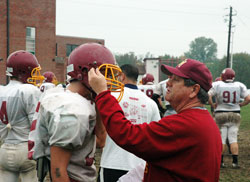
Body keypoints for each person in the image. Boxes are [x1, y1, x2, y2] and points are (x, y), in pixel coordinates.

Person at [89, 58, 222, 182]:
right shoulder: (203, 121)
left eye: (175, 80)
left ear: (194, 90)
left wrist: (102, 94)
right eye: (169, 78)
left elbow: (127, 134)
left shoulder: (185, 124)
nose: (168, 83)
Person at [32, 43, 123, 182]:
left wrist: (100, 96)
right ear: (85, 73)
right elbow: (58, 172)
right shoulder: (72, 110)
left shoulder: (73, 98)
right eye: (106, 74)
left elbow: (100, 140)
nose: (110, 81)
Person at [97, 64, 161, 182]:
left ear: (122, 76)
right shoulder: (150, 103)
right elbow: (156, 135)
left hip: (112, 162)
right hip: (139, 165)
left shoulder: (112, 97)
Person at [0, 50, 44, 182]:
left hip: (4, 148)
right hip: (25, 148)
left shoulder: (2, 90)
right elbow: (36, 124)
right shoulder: (28, 90)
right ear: (24, 71)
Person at [208, 68, 250, 168]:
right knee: (233, 138)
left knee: (222, 139)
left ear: (222, 76)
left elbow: (208, 95)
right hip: (235, 114)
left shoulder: (217, 84)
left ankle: (221, 162)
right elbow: (248, 99)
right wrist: (241, 104)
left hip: (221, 113)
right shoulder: (239, 85)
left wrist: (213, 105)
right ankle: (235, 163)